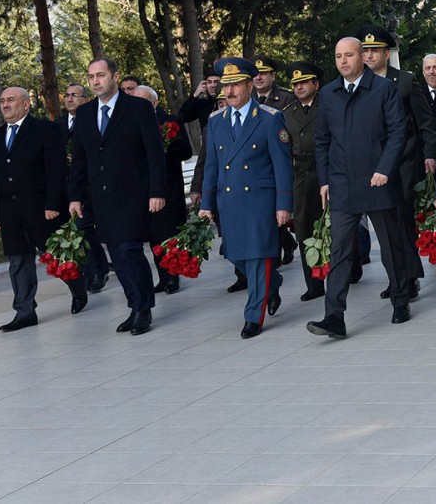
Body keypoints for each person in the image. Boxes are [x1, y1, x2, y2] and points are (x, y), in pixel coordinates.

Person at [308, 37, 412, 338]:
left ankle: (400, 299)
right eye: (338, 56)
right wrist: (324, 180)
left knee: (390, 246)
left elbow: (398, 132)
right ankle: (334, 317)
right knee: (340, 250)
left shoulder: (383, 89)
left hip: (377, 181)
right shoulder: (328, 93)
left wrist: (384, 169)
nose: (343, 61)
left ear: (362, 57)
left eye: (349, 55)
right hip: (342, 183)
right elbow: (322, 140)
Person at [69, 58, 166, 336]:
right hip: (101, 198)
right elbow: (80, 159)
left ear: (114, 76)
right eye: (91, 77)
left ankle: (142, 309)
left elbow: (154, 153)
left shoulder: (138, 108)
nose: (95, 81)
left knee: (129, 250)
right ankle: (134, 304)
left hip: (133, 194)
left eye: (101, 75)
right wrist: (75, 196)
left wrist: (157, 191)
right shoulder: (85, 114)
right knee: (117, 254)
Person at [199, 58, 292, 339]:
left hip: (259, 202)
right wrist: (206, 203)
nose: (228, 91)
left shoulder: (269, 118)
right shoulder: (216, 122)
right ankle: (271, 282)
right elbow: (212, 166)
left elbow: (282, 165)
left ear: (250, 85)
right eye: (226, 86)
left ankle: (253, 315)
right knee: (235, 254)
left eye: (235, 85)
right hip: (230, 202)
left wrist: (284, 205)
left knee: (258, 257)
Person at [356, 25, 436, 298]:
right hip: (370, 167)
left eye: (374, 51)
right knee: (384, 227)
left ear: (387, 53)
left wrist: (429, 154)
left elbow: (425, 122)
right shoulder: (358, 85)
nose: (368, 56)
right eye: (365, 51)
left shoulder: (404, 81)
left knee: (402, 224)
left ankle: (408, 277)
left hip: (402, 165)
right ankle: (397, 277)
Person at [0, 87, 71, 331]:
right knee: (18, 262)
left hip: (41, 209)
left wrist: (53, 204)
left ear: (26, 104)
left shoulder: (45, 129)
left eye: (11, 100)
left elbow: (56, 171)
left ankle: (78, 288)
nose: (5, 105)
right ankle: (24, 312)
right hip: (9, 211)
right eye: (2, 101)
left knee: (56, 256)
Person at [133, 85, 192, 295]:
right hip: (144, 189)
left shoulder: (170, 122)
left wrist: (163, 148)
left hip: (168, 187)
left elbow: (186, 150)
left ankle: (173, 276)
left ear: (154, 102)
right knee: (154, 236)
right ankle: (163, 277)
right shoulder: (133, 123)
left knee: (168, 234)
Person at [57, 83, 110, 293]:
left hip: (92, 184)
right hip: (69, 187)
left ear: (86, 99)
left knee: (85, 229)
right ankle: (92, 270)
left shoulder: (93, 119)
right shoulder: (57, 125)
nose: (70, 99)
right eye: (67, 95)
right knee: (79, 230)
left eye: (75, 95)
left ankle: (99, 270)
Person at [281, 61, 326, 302]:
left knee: (333, 227)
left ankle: (349, 270)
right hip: (300, 177)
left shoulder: (328, 106)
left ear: (315, 85)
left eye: (303, 83)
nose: (299, 87)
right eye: (295, 84)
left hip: (325, 173)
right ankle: (314, 284)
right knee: (305, 231)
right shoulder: (288, 113)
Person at [250, 55, 297, 265]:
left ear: (273, 76)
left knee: (279, 212)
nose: (259, 78)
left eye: (264, 73)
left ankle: (274, 259)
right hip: (257, 167)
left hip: (280, 163)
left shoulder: (286, 99)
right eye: (255, 74)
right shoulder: (246, 99)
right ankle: (285, 244)